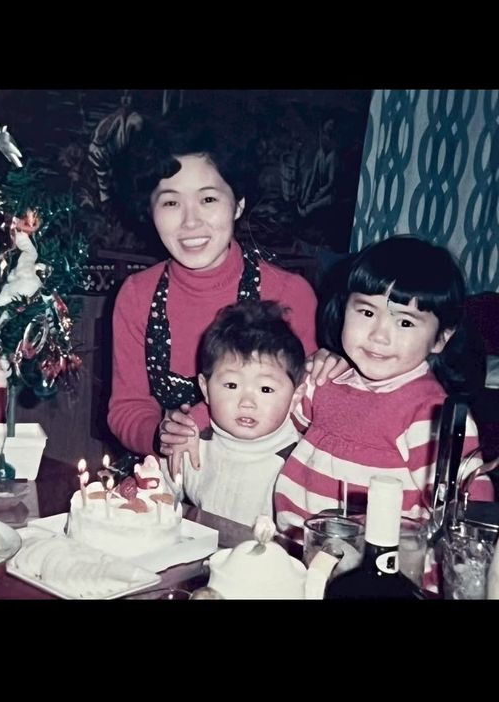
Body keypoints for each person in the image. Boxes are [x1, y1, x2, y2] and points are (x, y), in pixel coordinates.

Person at [107, 108, 347, 471]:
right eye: (171, 202)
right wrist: (159, 435)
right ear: (150, 211)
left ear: (238, 204)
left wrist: (332, 370)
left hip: (267, 480)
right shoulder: (136, 295)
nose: (190, 222)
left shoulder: (290, 293)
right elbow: (126, 407)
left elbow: (314, 409)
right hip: (166, 475)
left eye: (208, 199)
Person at [274, 235, 495, 543]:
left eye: (405, 323)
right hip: (293, 548)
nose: (379, 336)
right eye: (367, 313)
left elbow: (469, 508)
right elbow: (272, 422)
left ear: (441, 338)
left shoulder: (430, 414)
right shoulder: (326, 381)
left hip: (379, 564)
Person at [167, 300, 306, 527]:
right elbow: (157, 493)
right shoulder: (192, 444)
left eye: (266, 389)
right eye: (231, 385)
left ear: (296, 397)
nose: (247, 402)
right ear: (205, 389)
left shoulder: (300, 462)